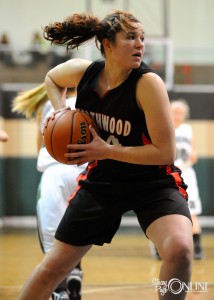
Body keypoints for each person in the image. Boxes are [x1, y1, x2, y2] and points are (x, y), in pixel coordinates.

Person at [18, 10, 193, 300]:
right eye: (130, 38)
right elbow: (51, 78)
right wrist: (62, 111)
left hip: (153, 183)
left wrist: (107, 150)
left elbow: (165, 153)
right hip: (103, 180)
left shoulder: (148, 84)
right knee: (53, 268)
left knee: (181, 251)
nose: (140, 44)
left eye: (142, 38)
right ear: (106, 44)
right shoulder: (85, 74)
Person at [12, 84, 85, 300]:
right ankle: (76, 272)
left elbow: (40, 146)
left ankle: (59, 290)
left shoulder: (46, 106)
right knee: (79, 230)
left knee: (53, 238)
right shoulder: (92, 101)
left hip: (55, 172)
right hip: (85, 173)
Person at [170, 99, 204, 260]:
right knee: (166, 211)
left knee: (192, 211)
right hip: (168, 173)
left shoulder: (188, 130)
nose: (178, 115)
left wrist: (186, 164)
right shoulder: (164, 126)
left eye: (181, 113)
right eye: (175, 112)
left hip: (186, 173)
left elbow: (194, 155)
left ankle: (197, 248)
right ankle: (160, 247)